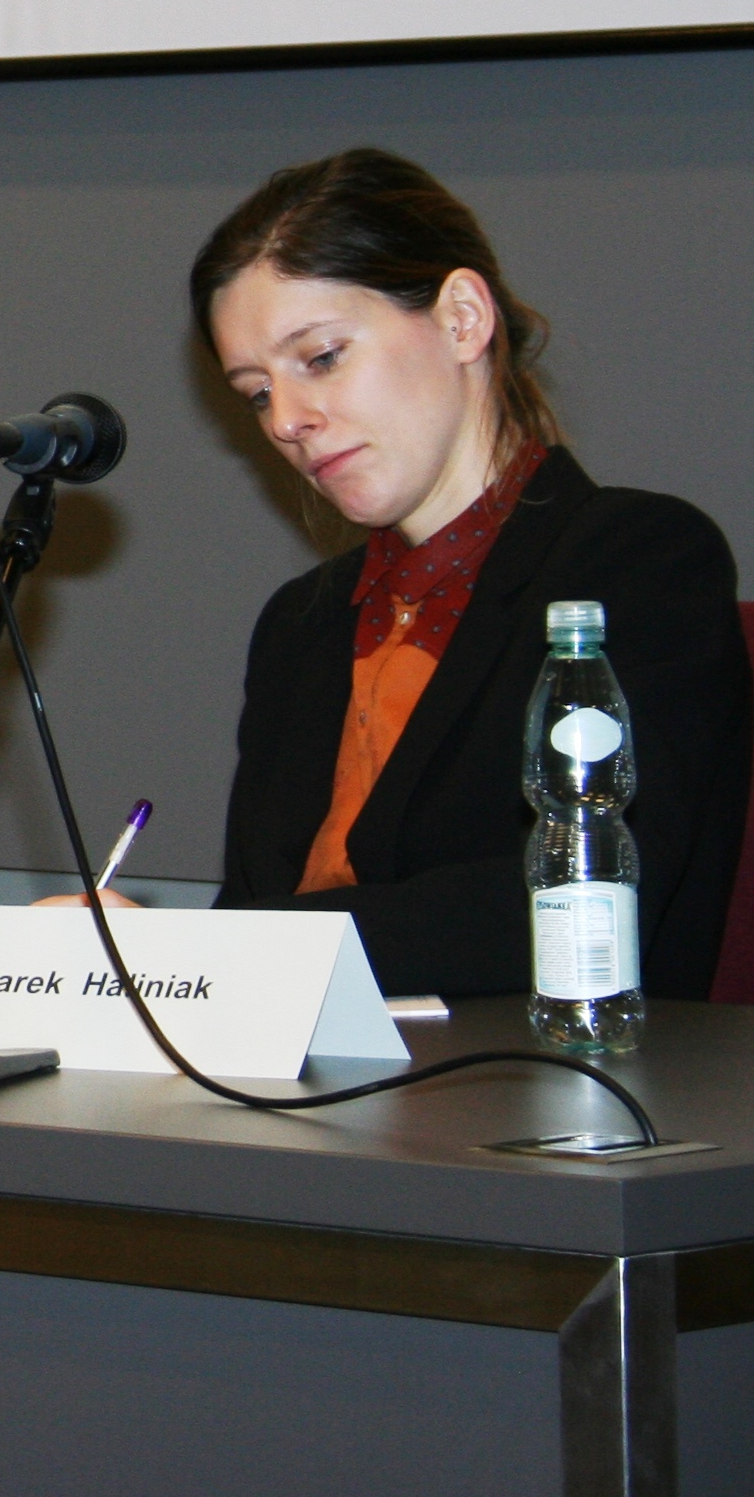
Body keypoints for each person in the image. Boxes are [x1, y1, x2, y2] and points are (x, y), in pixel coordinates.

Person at [170, 149, 745, 998]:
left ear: (464, 320)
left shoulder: (638, 560)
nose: (287, 420)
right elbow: (256, 910)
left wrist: (216, 948)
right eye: (256, 392)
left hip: (541, 1069)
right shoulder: (302, 623)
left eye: (321, 357)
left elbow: (571, 903)